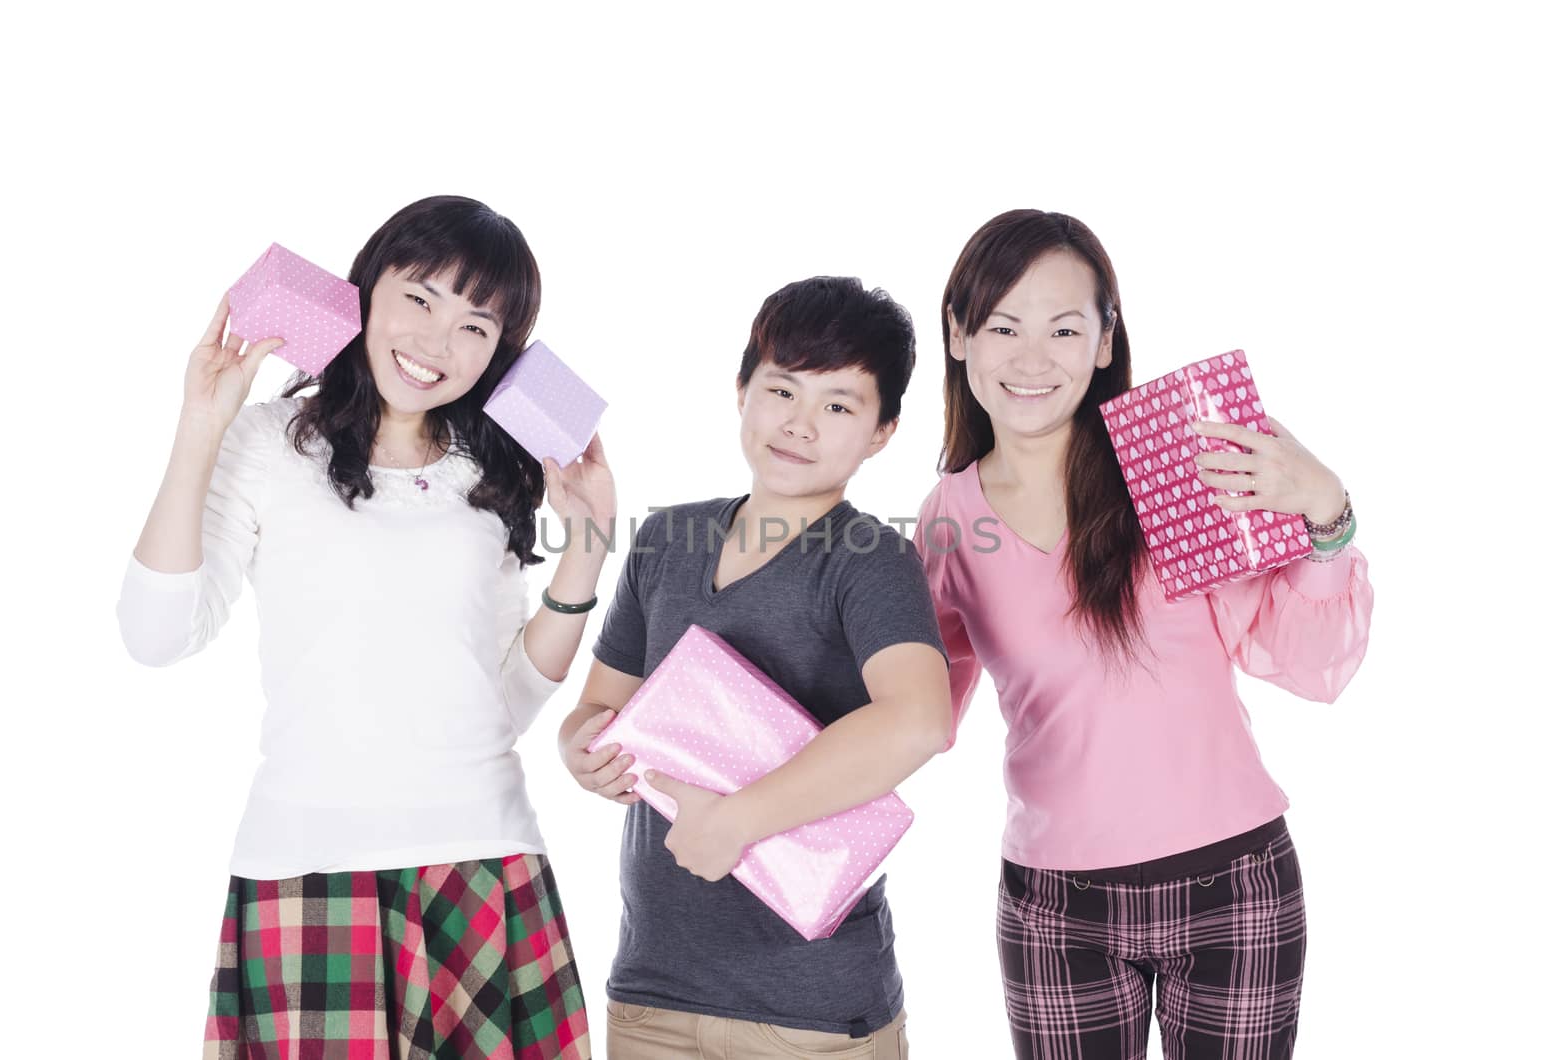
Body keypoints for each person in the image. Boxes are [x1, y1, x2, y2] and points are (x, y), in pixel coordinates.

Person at [117, 195, 613, 1059]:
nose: (435, 344)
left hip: (486, 860)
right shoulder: (270, 442)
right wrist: (203, 424)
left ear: (500, 354)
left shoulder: (492, 470)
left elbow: (502, 700)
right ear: (365, 291)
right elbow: (156, 636)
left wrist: (587, 552)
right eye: (419, 299)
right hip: (310, 865)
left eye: (475, 326)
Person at [916, 209, 1373, 1060]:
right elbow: (918, 712)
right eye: (1003, 326)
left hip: (1233, 886)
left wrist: (1325, 511)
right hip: (1055, 907)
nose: (1030, 357)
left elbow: (1310, 664)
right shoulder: (948, 520)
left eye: (1063, 328)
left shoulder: (1167, 467)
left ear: (1103, 340)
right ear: (957, 333)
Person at [558, 276, 950, 1058]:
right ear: (742, 390)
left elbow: (920, 720)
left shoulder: (869, 559)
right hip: (651, 995)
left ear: (882, 431)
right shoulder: (666, 539)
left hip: (807, 1010)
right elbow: (599, 707)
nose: (800, 425)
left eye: (838, 405)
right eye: (782, 390)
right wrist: (579, 751)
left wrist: (734, 824)